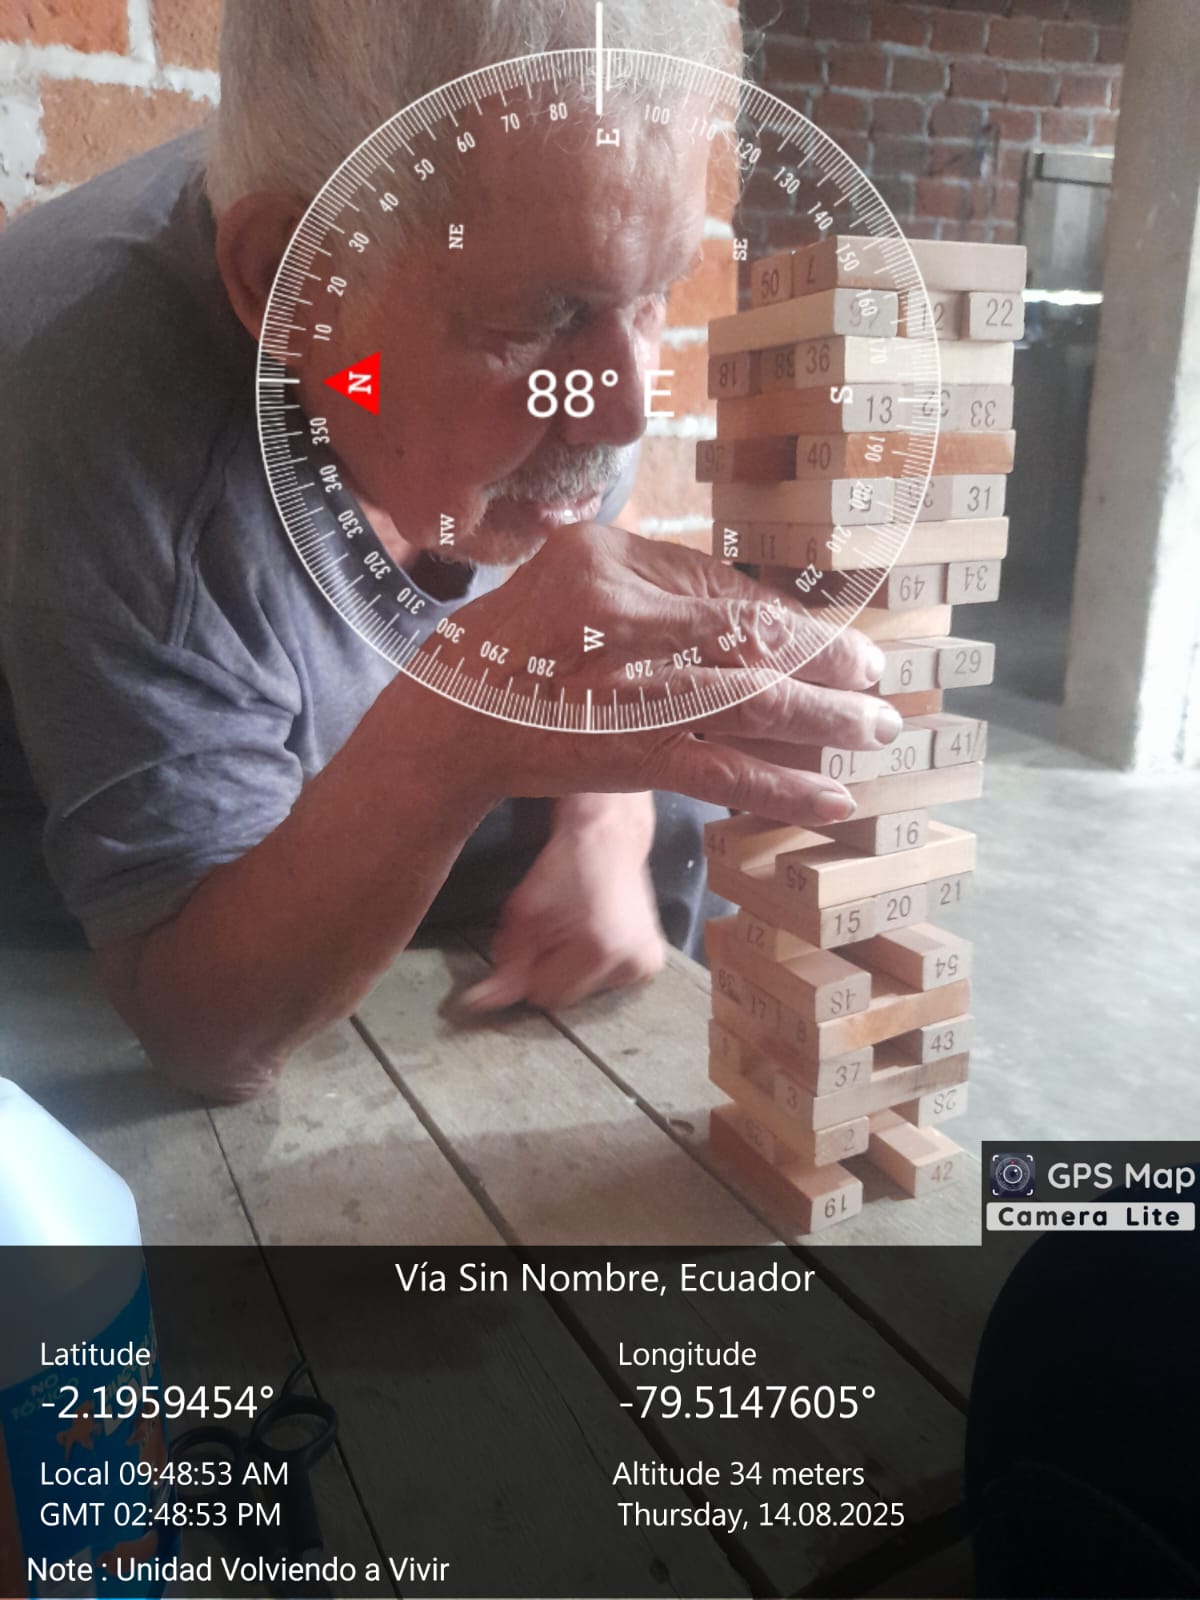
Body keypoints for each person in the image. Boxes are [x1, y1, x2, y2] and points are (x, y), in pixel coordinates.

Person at [0, 0, 902, 1102]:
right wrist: (459, 731)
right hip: (110, 914)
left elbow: (573, 575)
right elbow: (203, 1032)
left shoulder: (539, 245)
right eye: (545, 317)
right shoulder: (111, 416)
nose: (626, 411)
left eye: (653, 295)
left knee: (682, 802)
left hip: (337, 750)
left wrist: (606, 812)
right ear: (286, 280)